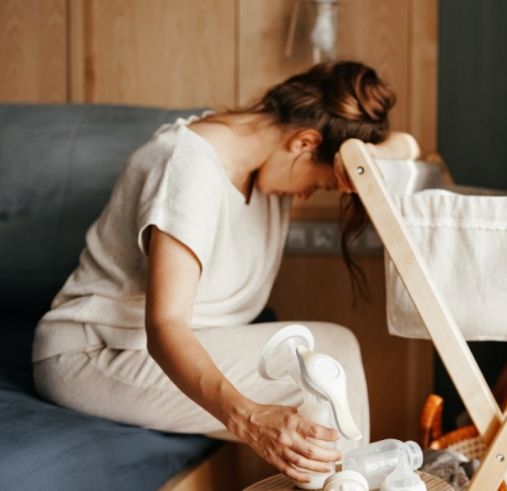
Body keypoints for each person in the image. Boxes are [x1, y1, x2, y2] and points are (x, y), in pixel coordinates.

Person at [31, 60, 418, 484]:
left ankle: (348, 480)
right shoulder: (189, 168)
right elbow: (165, 325)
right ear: (306, 142)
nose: (308, 193)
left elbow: (406, 145)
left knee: (332, 353)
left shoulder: (267, 159)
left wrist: (361, 156)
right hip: (98, 354)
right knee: (330, 358)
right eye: (320, 183)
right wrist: (249, 418)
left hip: (161, 345)